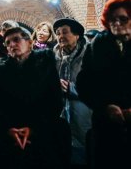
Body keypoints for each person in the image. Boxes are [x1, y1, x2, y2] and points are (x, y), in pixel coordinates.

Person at [0, 27, 69, 169]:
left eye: (16, 39)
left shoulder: (45, 64)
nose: (12, 44)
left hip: (43, 133)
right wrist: (8, 129)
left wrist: (33, 129)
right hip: (11, 135)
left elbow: (54, 102)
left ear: (30, 43)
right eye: (8, 43)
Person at [76, 0, 131, 168]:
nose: (117, 23)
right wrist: (104, 106)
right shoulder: (97, 46)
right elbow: (84, 84)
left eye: (123, 19)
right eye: (112, 19)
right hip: (106, 124)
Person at [53, 17, 92, 168]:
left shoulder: (89, 55)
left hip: (84, 114)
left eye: (64, 32)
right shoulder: (54, 57)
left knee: (84, 155)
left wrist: (71, 88)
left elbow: (96, 86)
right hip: (61, 114)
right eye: (57, 33)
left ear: (77, 35)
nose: (60, 36)